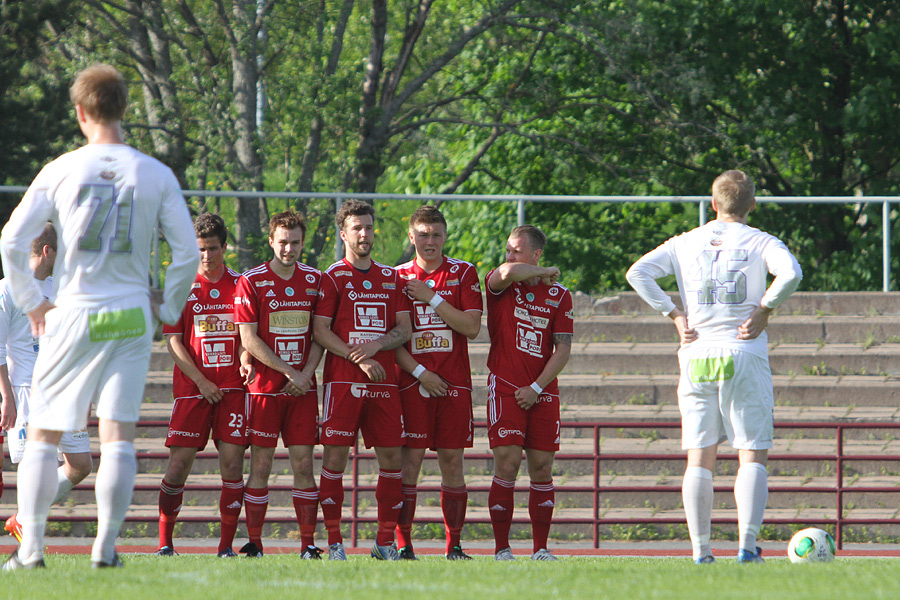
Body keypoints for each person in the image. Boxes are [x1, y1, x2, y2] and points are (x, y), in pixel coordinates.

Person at [0, 63, 199, 570]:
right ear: (124, 108)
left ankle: (32, 550)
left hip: (74, 311)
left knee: (44, 433)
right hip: (128, 316)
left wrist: (33, 302)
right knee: (118, 435)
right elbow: (188, 253)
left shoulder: (63, 168)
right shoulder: (153, 172)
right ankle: (105, 549)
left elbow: (11, 239)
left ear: (81, 111)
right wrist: (167, 308)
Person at [626, 169, 802, 564]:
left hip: (698, 353)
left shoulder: (685, 241)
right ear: (752, 204)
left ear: (712, 203)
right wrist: (764, 309)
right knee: (751, 453)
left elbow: (637, 272)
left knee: (699, 458)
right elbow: (791, 273)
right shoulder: (761, 241)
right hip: (743, 353)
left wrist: (674, 314)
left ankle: (701, 551)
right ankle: (746, 546)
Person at [313, 199, 411, 561]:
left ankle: (384, 542)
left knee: (391, 459)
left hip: (384, 382)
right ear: (344, 234)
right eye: (357, 228)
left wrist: (376, 346)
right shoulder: (333, 276)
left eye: (369, 227)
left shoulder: (391, 277)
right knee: (335, 459)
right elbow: (320, 331)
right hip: (343, 383)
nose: (364, 234)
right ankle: (336, 542)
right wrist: (360, 358)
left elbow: (404, 329)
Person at [156, 213, 254, 558]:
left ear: (224, 247)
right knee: (178, 466)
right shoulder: (181, 283)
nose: (207, 256)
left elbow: (246, 336)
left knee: (231, 466)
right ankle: (165, 543)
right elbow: (173, 341)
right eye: (200, 249)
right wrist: (199, 381)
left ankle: (225, 547)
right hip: (192, 391)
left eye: (213, 248)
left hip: (232, 389)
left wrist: (244, 358)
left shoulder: (241, 284)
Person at [393, 206, 482, 560]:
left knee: (452, 462)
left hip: (453, 383)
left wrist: (431, 297)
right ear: (411, 237)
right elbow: (394, 340)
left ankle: (454, 545)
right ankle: (404, 544)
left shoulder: (463, 273)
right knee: (409, 463)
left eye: (437, 235)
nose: (430, 242)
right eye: (423, 234)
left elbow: (471, 327)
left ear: (446, 236)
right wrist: (420, 373)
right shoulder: (396, 276)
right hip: (413, 382)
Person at [235, 210, 324, 558]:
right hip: (266, 389)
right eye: (283, 242)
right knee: (261, 465)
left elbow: (320, 335)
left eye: (295, 242)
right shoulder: (252, 280)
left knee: (303, 465)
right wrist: (291, 372)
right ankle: (255, 543)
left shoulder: (316, 280)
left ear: (303, 243)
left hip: (303, 390)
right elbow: (249, 339)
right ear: (271, 241)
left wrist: (305, 375)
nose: (289, 249)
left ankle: (308, 544)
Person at [485, 225, 573, 561]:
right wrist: (542, 271)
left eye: (517, 250)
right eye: (508, 249)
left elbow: (562, 349)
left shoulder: (559, 295)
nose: (509, 256)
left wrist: (536, 388)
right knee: (506, 464)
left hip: (542, 391)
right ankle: (502, 549)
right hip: (506, 387)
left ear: (535, 253)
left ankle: (540, 549)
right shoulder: (502, 285)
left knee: (541, 467)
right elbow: (507, 271)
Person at [1, 225, 93, 542]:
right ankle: (31, 539)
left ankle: (24, 518)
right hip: (26, 392)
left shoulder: (61, 289)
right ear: (47, 251)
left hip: (63, 390)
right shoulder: (8, 290)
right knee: (34, 465)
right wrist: (7, 397)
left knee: (80, 465)